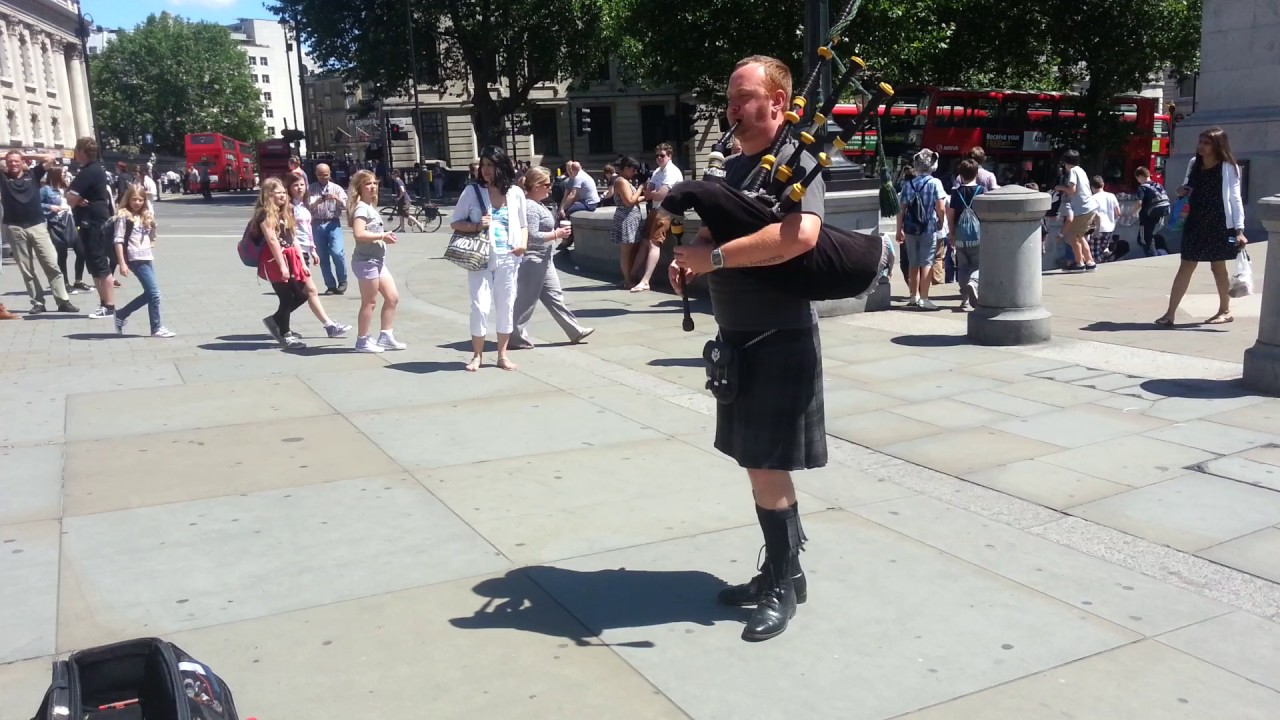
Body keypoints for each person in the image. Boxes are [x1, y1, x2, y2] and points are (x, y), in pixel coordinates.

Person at [669, 55, 826, 642]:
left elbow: (798, 236)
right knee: (755, 462)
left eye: (744, 96)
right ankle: (783, 571)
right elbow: (717, 234)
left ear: (778, 103)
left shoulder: (799, 160)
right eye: (730, 97)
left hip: (779, 336)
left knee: (767, 464)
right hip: (737, 338)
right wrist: (694, 262)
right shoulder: (734, 168)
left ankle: (783, 584)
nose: (732, 108)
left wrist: (714, 258)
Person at [1155, 127, 1248, 327]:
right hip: (1195, 221)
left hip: (1220, 224)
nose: (1201, 146)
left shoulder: (1228, 167)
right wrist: (1180, 190)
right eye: (1200, 142)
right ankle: (1170, 314)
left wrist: (1239, 230)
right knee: (1186, 264)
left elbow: (1235, 198)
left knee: (1218, 267)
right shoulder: (1193, 164)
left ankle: (1225, 310)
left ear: (1217, 145)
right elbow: (1186, 187)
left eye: (1206, 143)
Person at [450, 145, 527, 372]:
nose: (484, 170)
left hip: (509, 256)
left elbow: (523, 224)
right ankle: (477, 355)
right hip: (481, 256)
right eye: (483, 165)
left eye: (490, 165)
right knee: (480, 306)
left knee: (506, 305)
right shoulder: (472, 192)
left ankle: (502, 355)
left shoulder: (515, 193)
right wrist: (475, 225)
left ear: (501, 166)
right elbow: (455, 222)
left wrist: (523, 244)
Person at [509, 166, 594, 349]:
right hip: (533, 258)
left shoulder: (537, 204)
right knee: (526, 300)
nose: (550, 188)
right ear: (536, 185)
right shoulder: (530, 206)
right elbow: (531, 236)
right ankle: (515, 336)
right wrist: (557, 234)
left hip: (544, 258)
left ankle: (574, 330)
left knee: (555, 296)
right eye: (547, 184)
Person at [2, 150, 77, 315]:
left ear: (23, 162)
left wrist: (24, 155)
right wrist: (8, 155)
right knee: (26, 268)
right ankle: (37, 302)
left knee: (51, 263)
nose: (13, 164)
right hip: (15, 227)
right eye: (9, 162)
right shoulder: (3, 178)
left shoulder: (33, 174)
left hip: (37, 225)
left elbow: (50, 158)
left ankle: (63, 301)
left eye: (16, 161)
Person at [345, 169, 406, 353]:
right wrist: (382, 235)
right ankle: (362, 340)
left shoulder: (369, 206)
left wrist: (384, 237)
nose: (373, 187)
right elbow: (358, 233)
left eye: (375, 183)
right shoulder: (362, 208)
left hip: (377, 261)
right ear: (359, 188)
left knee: (392, 297)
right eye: (368, 184)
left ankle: (385, 336)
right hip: (366, 261)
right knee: (369, 302)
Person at [288, 173, 351, 340]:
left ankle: (279, 322)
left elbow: (306, 230)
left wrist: (312, 249)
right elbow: (292, 235)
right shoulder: (289, 207)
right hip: (295, 253)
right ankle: (329, 325)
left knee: (300, 293)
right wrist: (301, 258)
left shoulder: (301, 205)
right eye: (295, 185)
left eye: (302, 185)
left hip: (308, 247)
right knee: (309, 291)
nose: (300, 188)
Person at [111, 184, 173, 338]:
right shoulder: (123, 216)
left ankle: (121, 314)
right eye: (134, 199)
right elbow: (118, 241)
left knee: (151, 293)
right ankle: (156, 328)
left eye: (140, 200)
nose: (137, 203)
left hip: (146, 256)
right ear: (128, 200)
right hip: (135, 258)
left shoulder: (145, 215)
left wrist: (153, 227)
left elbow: (151, 239)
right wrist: (122, 263)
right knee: (154, 293)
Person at [254, 178, 309, 350]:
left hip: (291, 257)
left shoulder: (286, 211)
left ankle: (275, 320)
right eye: (279, 193)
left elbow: (293, 238)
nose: (284, 196)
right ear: (269, 194)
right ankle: (285, 334)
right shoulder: (265, 214)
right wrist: (282, 266)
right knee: (286, 298)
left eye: (284, 192)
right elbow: (272, 240)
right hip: (274, 260)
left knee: (302, 294)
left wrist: (302, 262)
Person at [66, 137, 116, 318]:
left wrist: (75, 199)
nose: (75, 155)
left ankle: (109, 306)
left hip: (93, 222)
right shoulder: (94, 170)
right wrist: (77, 199)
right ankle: (104, 303)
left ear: (81, 152)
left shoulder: (88, 172)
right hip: (91, 221)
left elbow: (69, 199)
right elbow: (72, 197)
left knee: (99, 263)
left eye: (76, 151)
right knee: (94, 263)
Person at [896, 148, 947, 310]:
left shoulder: (908, 184)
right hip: (928, 227)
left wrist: (899, 229)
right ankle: (924, 298)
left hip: (910, 227)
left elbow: (901, 209)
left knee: (913, 262)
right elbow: (941, 206)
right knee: (927, 262)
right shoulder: (935, 183)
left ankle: (913, 295)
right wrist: (941, 220)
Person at [633, 143, 683, 292]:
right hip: (655, 209)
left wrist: (653, 193)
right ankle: (631, 276)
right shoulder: (657, 172)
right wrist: (653, 193)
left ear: (669, 156)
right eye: (657, 156)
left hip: (667, 210)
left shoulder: (673, 172)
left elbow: (661, 194)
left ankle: (645, 280)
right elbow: (649, 193)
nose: (659, 158)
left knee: (654, 243)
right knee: (644, 242)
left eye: (662, 155)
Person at [41, 165, 87, 296]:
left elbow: (70, 203)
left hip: (69, 222)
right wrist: (50, 206)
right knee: (62, 255)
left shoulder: (65, 188)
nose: (66, 175)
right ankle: (64, 283)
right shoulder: (46, 190)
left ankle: (78, 280)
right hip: (56, 224)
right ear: (56, 174)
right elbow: (36, 204)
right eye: (64, 173)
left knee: (81, 251)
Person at [947, 159, 984, 310]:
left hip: (960, 235)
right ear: (977, 173)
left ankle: (964, 300)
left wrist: (951, 233)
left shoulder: (955, 192)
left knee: (962, 267)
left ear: (960, 175)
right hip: (977, 235)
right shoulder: (982, 191)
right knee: (978, 264)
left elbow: (951, 214)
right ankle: (974, 282)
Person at [307, 163, 349, 295]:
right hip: (317, 224)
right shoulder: (311, 189)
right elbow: (305, 205)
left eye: (325, 175)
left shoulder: (336, 188)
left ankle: (342, 280)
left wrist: (336, 198)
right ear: (316, 175)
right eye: (320, 175)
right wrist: (316, 202)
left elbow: (346, 205)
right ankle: (330, 285)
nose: (323, 178)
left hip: (333, 223)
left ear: (330, 174)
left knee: (337, 252)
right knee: (322, 257)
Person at [1054, 149, 1098, 271]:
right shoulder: (1081, 170)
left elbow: (1072, 190)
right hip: (1089, 207)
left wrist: (1060, 187)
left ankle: (1079, 263)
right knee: (1080, 235)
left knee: (1073, 236)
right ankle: (1089, 262)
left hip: (1082, 209)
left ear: (1066, 162)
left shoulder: (1073, 171)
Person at [609, 156, 645, 287]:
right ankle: (627, 279)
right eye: (633, 169)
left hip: (630, 217)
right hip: (626, 217)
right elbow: (629, 201)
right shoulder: (622, 182)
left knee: (631, 249)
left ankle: (628, 278)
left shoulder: (624, 181)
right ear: (625, 168)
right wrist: (641, 189)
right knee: (626, 251)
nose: (635, 172)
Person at [1134, 166, 1170, 257]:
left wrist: (1132, 212)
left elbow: (1139, 202)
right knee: (1148, 238)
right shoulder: (1158, 185)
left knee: (1145, 239)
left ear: (1140, 176)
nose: (1138, 181)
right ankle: (1154, 255)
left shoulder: (1142, 187)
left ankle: (1152, 258)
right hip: (1159, 215)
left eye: (1137, 178)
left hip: (1147, 217)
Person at [1089, 175, 1120, 263]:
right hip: (1109, 228)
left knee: (1095, 254)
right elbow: (1118, 213)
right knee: (1103, 250)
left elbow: (1093, 215)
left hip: (1097, 228)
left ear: (1092, 187)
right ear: (1103, 185)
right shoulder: (1111, 196)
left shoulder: (1092, 198)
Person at [389, 169, 423, 233]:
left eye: (392, 174)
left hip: (404, 200)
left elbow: (402, 190)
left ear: (396, 174)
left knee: (405, 214)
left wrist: (399, 197)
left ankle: (419, 224)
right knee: (401, 214)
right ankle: (402, 229)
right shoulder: (397, 181)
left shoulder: (398, 181)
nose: (391, 175)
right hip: (402, 200)